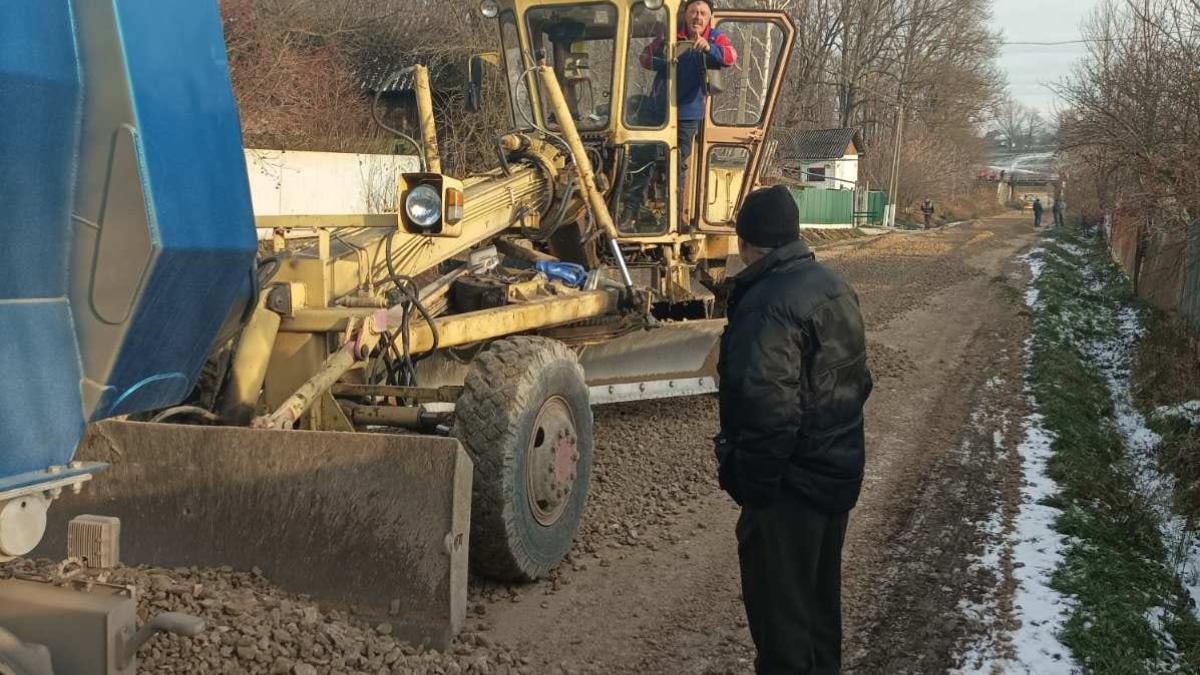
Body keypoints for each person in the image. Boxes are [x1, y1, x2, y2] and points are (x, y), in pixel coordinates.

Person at [715, 184, 873, 675]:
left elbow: (767, 414)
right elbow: (860, 382)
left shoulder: (766, 306)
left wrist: (755, 489)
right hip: (834, 478)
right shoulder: (833, 286)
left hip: (790, 493)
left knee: (782, 631)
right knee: (819, 615)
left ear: (745, 242)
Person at [621, 0, 737, 231]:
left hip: (687, 114)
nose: (697, 17)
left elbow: (730, 57)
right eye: (693, 12)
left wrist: (708, 49)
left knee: (676, 164)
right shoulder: (669, 35)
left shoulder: (715, 38)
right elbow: (645, 58)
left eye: (703, 13)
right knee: (643, 159)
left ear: (709, 18)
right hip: (658, 109)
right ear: (686, 14)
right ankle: (628, 213)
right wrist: (664, 53)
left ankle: (674, 219)